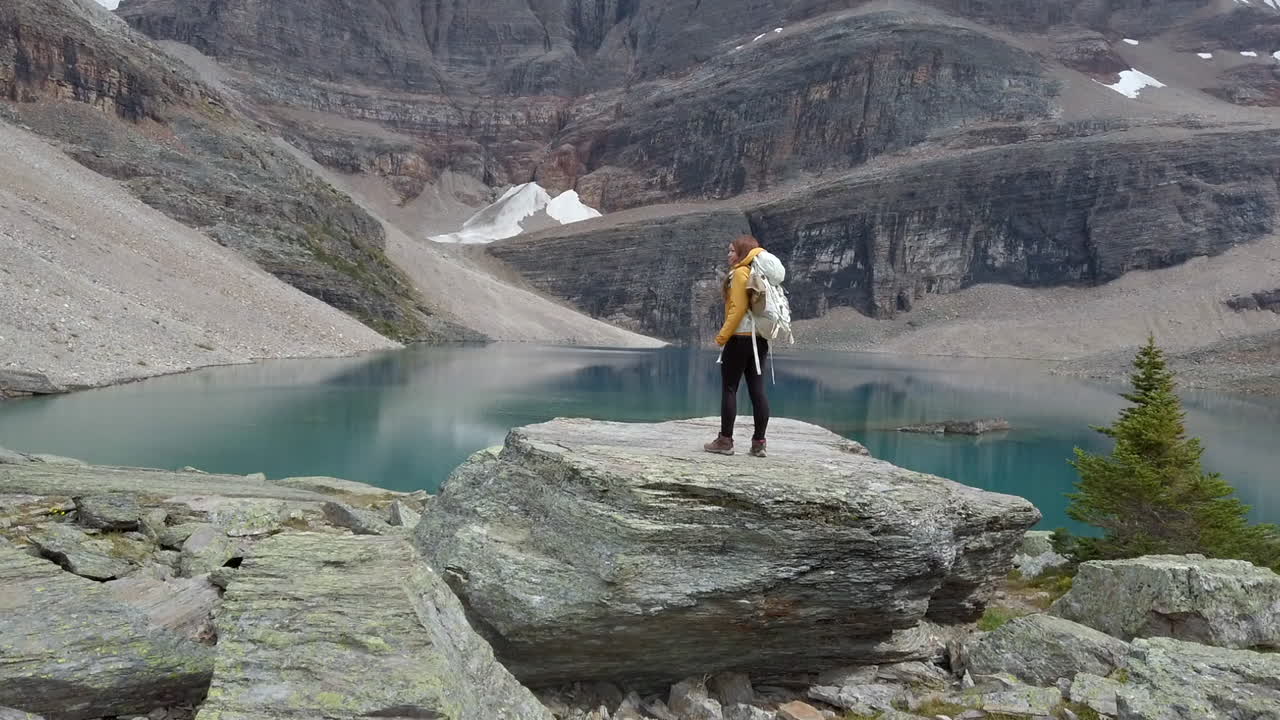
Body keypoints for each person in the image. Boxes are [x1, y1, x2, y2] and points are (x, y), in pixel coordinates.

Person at [704, 234, 770, 457]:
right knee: (757, 390)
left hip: (739, 339)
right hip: (759, 340)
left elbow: (737, 310)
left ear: (742, 252)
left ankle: (725, 441)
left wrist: (721, 337)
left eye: (732, 251)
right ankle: (759, 442)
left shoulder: (739, 274)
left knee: (730, 388)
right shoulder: (758, 273)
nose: (728, 254)